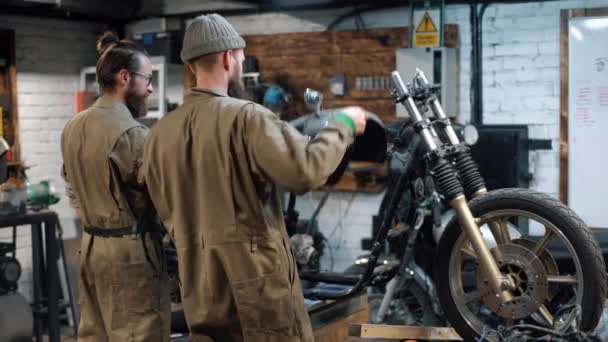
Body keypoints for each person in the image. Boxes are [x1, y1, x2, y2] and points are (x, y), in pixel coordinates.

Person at [140, 14, 366, 342]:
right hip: (257, 292)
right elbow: (304, 171)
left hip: (200, 290)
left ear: (190, 66)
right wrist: (344, 125)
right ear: (228, 58)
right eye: (241, 59)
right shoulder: (247, 118)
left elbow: (163, 208)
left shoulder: (158, 134)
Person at [60, 31, 170, 341]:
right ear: (124, 77)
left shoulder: (73, 126)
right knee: (139, 334)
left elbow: (71, 187)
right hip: (130, 255)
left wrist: (96, 219)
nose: (150, 88)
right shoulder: (133, 134)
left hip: (92, 247)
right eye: (147, 79)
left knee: (96, 335)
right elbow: (165, 199)